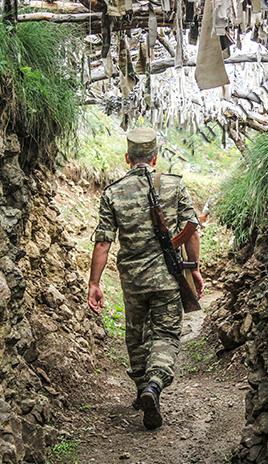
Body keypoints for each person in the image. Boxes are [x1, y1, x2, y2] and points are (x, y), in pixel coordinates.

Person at [87, 127, 205, 430]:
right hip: (168, 277)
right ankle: (155, 383)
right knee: (165, 334)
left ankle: (143, 388)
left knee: (136, 335)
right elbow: (191, 228)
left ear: (128, 158)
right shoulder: (174, 186)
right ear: (155, 157)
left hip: (133, 280)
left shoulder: (113, 192)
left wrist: (94, 283)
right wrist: (194, 269)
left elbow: (103, 243)